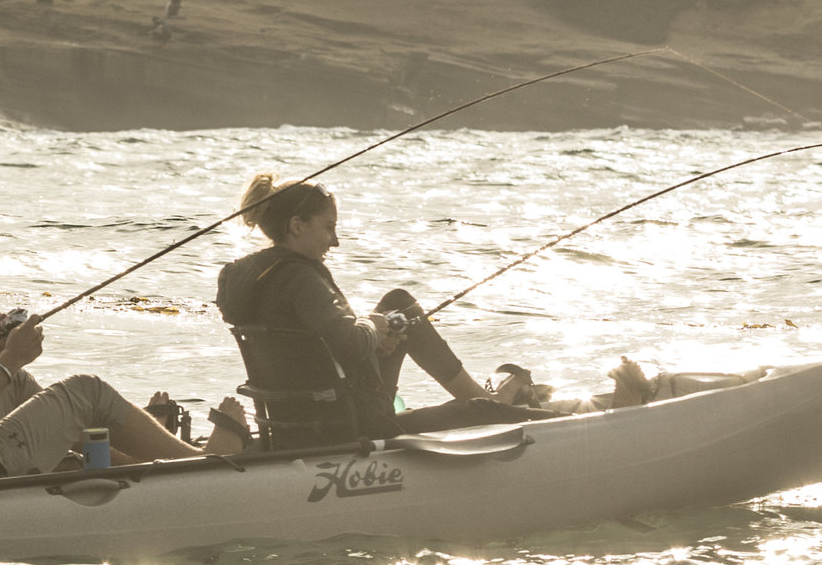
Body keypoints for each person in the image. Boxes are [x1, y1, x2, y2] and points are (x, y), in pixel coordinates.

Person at [0, 192, 243, 476]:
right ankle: (196, 467)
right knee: (88, 391)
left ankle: (140, 467)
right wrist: (11, 356)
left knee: (14, 384)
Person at [216, 174, 568, 439]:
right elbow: (351, 344)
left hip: (298, 419)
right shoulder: (301, 280)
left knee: (400, 306)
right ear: (296, 226)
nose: (335, 241)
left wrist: (376, 333)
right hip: (351, 424)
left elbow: (307, 347)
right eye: (328, 227)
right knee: (475, 412)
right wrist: (371, 328)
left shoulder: (243, 276)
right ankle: (542, 420)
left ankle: (487, 399)